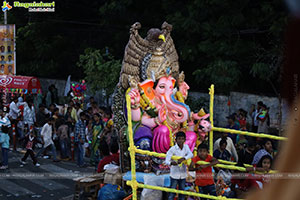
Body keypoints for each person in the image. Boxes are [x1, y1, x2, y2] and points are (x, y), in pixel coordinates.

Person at [165, 131, 193, 200]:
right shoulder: (172, 149)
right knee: (172, 193)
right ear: (176, 140)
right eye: (179, 139)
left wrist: (184, 158)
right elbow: (166, 161)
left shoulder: (186, 147)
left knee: (182, 193)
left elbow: (191, 154)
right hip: (174, 174)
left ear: (184, 140)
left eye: (182, 139)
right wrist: (173, 163)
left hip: (183, 174)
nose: (180, 140)